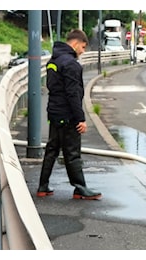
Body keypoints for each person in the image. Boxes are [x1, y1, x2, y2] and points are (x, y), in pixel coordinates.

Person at [36, 29, 102, 200]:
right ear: (75, 43)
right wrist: (80, 118)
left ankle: (43, 186)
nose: (83, 51)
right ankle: (80, 188)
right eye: (83, 47)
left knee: (51, 150)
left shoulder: (53, 60)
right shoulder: (71, 64)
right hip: (67, 114)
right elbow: (74, 94)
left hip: (54, 112)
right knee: (72, 152)